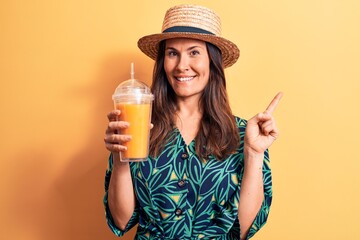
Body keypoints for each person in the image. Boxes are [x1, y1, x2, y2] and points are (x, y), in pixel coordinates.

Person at [103, 4, 282, 240]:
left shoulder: (243, 134)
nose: (181, 65)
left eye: (194, 52)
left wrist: (253, 153)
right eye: (172, 53)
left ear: (212, 61)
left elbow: (245, 227)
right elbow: (121, 220)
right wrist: (121, 160)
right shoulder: (138, 126)